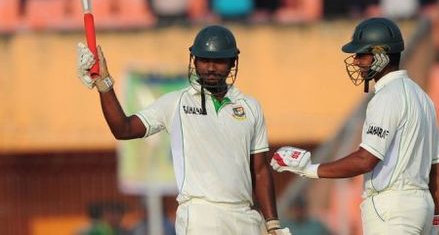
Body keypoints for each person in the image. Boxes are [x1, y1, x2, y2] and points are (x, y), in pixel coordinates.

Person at [76, 25, 290, 235]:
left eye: (219, 61)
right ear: (194, 61)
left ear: (232, 62)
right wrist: (103, 83)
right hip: (200, 215)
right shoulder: (175, 102)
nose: (211, 68)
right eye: (204, 60)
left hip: (245, 216)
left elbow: (260, 170)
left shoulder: (251, 107)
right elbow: (123, 129)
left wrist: (272, 223)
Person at [271, 17, 439, 234]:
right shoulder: (423, 97)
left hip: (392, 209)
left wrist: (310, 169)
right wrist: (437, 220)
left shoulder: (387, 97)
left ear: (381, 57)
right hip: (422, 207)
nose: (356, 61)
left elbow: (366, 160)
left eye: (362, 55)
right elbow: (438, 166)